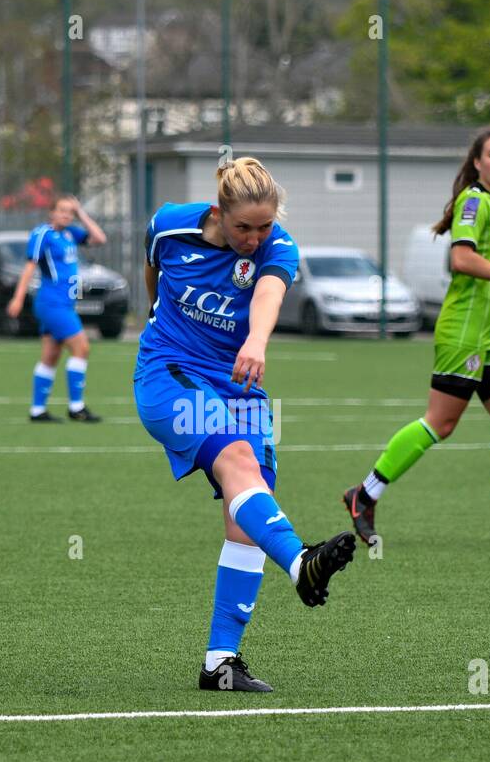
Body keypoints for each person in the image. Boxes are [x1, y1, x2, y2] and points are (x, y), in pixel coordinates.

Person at [135, 156, 356, 693]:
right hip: (171, 372)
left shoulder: (279, 247)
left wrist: (256, 340)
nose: (255, 238)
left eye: (264, 226)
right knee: (236, 460)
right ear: (217, 213)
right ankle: (302, 563)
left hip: (241, 382)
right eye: (243, 228)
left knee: (250, 511)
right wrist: (152, 312)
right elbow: (153, 266)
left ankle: (220, 662)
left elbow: (269, 294)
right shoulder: (171, 223)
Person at [343, 124, 490, 549]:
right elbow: (462, 259)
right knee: (441, 423)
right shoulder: (473, 201)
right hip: (463, 332)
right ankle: (365, 493)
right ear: (477, 162)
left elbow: (483, 270)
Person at [8, 195, 106, 422]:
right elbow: (29, 266)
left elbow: (100, 238)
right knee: (82, 348)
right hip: (53, 303)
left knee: (51, 356)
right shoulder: (43, 234)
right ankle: (76, 408)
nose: (66, 215)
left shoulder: (70, 233)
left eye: (70, 212)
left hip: (64, 303)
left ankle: (37, 411)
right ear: (51, 211)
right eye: (62, 210)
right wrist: (18, 297)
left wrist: (81, 213)